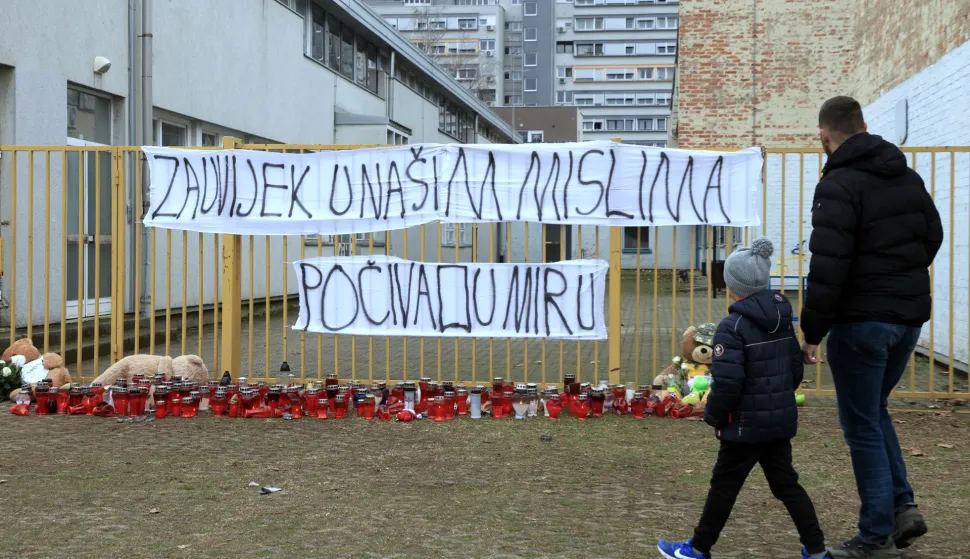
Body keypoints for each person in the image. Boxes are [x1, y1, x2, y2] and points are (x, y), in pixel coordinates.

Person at [801, 96, 942, 558]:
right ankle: (903, 507)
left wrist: (812, 331)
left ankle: (874, 535)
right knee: (874, 412)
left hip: (861, 323)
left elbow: (828, 265)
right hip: (905, 320)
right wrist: (900, 280)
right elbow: (933, 234)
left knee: (860, 425)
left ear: (824, 136)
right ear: (864, 125)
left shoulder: (838, 184)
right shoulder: (906, 175)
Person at [658, 237, 828, 559]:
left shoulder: (731, 327)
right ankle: (817, 550)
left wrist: (714, 416)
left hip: (743, 426)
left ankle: (696, 549)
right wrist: (777, 398)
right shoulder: (783, 317)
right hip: (777, 421)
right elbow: (794, 368)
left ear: (732, 286)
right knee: (787, 485)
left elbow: (729, 382)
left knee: (724, 486)